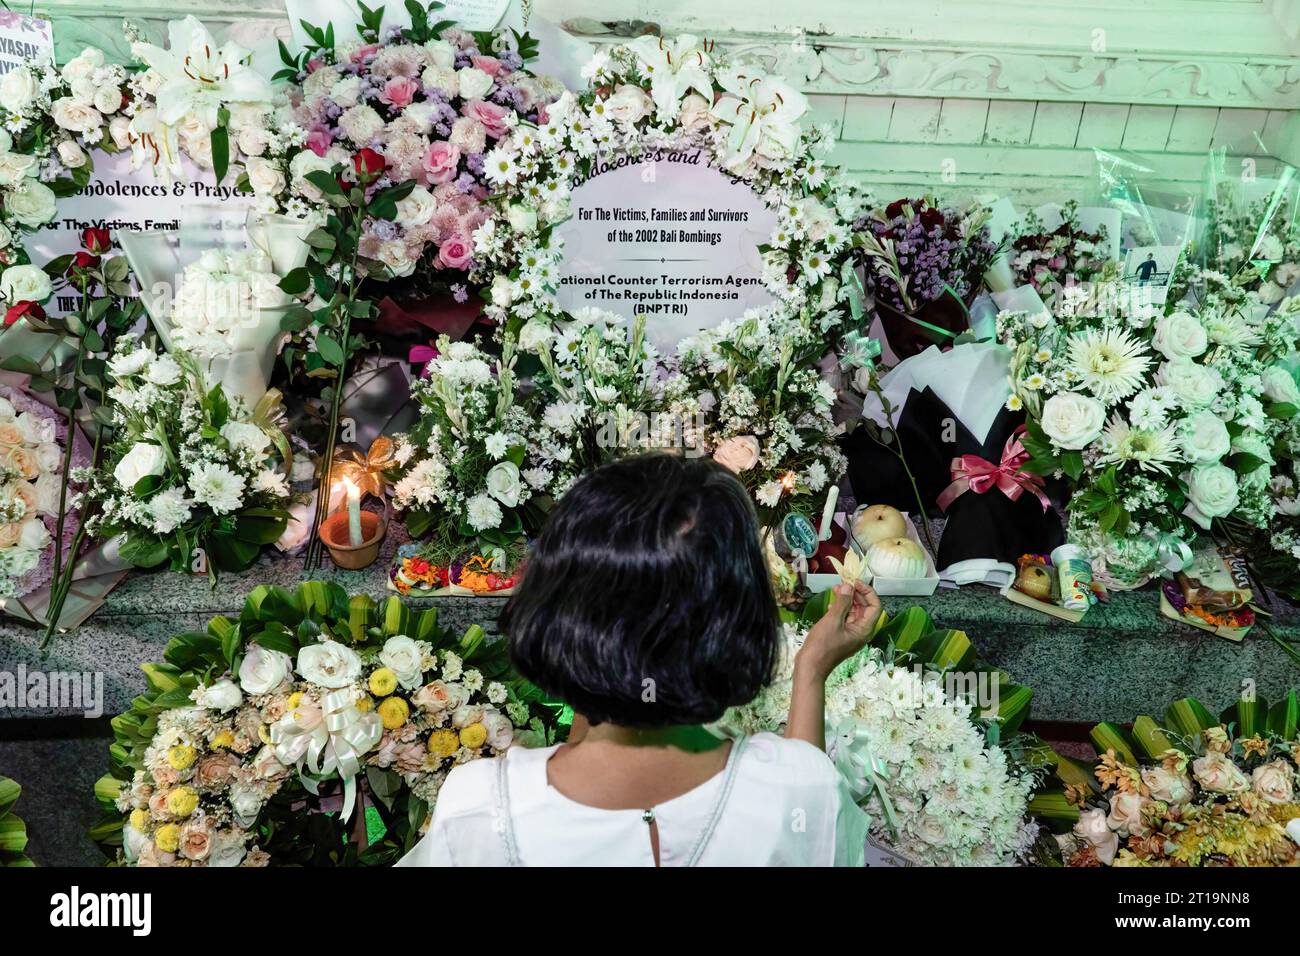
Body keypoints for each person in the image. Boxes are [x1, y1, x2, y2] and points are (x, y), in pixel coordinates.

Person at [397, 453, 879, 867]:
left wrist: (594, 662)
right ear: (740, 621)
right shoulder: (802, 788)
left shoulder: (479, 807)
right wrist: (811, 670)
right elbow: (801, 816)